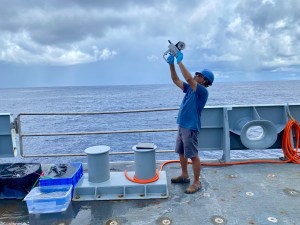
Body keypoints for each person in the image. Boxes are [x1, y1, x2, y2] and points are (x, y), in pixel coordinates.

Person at [166, 50, 214, 194]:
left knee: (193, 155)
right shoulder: (189, 89)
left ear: (204, 81)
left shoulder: (202, 91)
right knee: (181, 152)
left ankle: (197, 182)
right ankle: (184, 175)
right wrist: (171, 64)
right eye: (197, 74)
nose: (196, 75)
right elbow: (176, 80)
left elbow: (188, 79)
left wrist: (179, 60)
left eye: (200, 75)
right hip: (182, 125)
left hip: (191, 127)